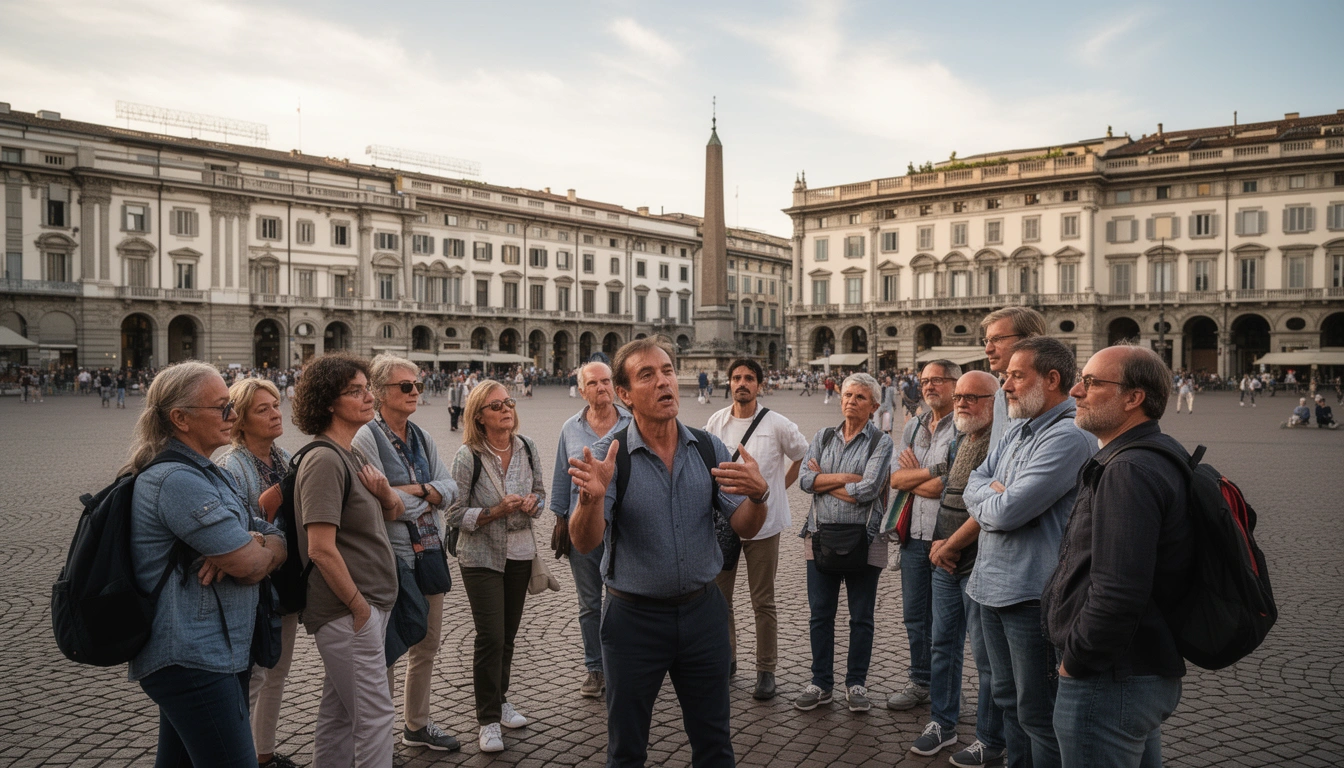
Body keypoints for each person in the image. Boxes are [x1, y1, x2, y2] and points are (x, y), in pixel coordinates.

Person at [566, 338, 770, 768]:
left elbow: (744, 527)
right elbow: (584, 542)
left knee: (715, 745)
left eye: (667, 371)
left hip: (703, 615)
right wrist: (590, 500)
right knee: (626, 750)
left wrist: (758, 497)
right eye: (647, 375)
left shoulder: (707, 447)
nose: (664, 382)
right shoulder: (607, 458)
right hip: (633, 623)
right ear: (624, 394)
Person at [127, 361, 287, 767]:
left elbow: (273, 539)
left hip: (214, 651)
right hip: (192, 656)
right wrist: (253, 548)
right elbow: (251, 566)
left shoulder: (211, 474)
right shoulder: (177, 481)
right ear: (180, 418)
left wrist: (255, 543)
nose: (231, 416)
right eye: (221, 408)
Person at [1044, 345, 1192, 768]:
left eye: (1091, 382)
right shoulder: (1156, 454)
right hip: (1138, 667)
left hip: (1110, 677)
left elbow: (1118, 591)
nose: (1075, 390)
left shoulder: (1128, 470)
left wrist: (1076, 661)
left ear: (1133, 398)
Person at [964, 337, 1096, 768]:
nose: (1005, 386)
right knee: (1006, 699)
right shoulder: (1020, 428)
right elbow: (974, 480)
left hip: (1030, 595)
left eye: (1016, 376)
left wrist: (992, 500)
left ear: (1052, 379)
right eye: (1005, 377)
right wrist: (991, 497)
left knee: (1038, 712)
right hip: (989, 585)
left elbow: (1008, 511)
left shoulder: (1068, 437)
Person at [291, 353, 404, 768]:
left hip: (364, 607)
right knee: (375, 717)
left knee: (338, 715)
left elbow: (392, 513)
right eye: (354, 391)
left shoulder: (351, 454)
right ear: (327, 403)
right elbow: (320, 547)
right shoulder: (324, 459)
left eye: (366, 388)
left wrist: (387, 494)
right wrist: (359, 609)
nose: (367, 397)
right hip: (347, 610)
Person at [352, 355, 462, 752]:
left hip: (429, 552)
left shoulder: (422, 436)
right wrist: (423, 496)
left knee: (427, 644)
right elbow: (378, 503)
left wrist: (410, 494)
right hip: (391, 559)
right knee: (390, 649)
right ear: (381, 392)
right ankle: (378, 740)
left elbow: (450, 488)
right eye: (406, 386)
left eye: (416, 384)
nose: (416, 391)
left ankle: (416, 724)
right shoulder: (365, 437)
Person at [911, 370, 1006, 765]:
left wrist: (950, 545)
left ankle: (989, 738)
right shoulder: (959, 441)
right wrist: (939, 543)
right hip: (946, 557)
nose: (962, 403)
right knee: (942, 644)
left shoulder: (1000, 444)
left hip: (979, 560)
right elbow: (949, 494)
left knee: (988, 660)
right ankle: (943, 722)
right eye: (960, 396)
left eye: (974, 397)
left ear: (996, 402)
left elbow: (991, 509)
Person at [446, 380, 547, 753]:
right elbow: (454, 513)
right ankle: (487, 719)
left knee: (507, 635)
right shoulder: (467, 456)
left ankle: (501, 700)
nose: (506, 409)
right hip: (482, 557)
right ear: (480, 416)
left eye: (508, 402)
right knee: (490, 636)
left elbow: (540, 490)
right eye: (496, 405)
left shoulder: (528, 447)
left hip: (520, 553)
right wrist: (494, 512)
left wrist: (533, 503)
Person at [705, 357, 809, 700]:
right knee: (719, 599)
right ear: (729, 382)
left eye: (749, 378)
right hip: (724, 523)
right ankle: (728, 659)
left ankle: (766, 669)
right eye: (736, 377)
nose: (742, 383)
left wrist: (781, 486)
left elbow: (804, 455)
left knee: (762, 601)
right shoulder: (716, 422)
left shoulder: (777, 424)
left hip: (765, 524)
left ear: (759, 385)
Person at [795, 373, 895, 714]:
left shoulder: (881, 441)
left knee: (861, 617)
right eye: (848, 395)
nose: (851, 401)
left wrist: (825, 480)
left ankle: (856, 683)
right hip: (819, 535)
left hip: (865, 539)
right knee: (820, 615)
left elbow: (868, 490)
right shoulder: (823, 436)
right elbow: (805, 481)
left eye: (860, 397)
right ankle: (821, 682)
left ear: (874, 406)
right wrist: (845, 480)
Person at [215, 378, 299, 768]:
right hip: (254, 588)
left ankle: (264, 754)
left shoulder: (283, 456)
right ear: (240, 420)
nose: (275, 413)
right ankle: (240, 757)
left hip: (286, 583)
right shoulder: (231, 466)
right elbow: (235, 531)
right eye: (262, 409)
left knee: (277, 672)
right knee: (252, 678)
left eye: (276, 405)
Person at [550, 361, 631, 698]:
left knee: (624, 599)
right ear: (581, 390)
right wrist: (559, 519)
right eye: (594, 383)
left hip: (624, 526)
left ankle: (625, 664)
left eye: (607, 381)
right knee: (588, 604)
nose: (602, 387)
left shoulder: (632, 422)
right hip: (582, 524)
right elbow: (560, 475)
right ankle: (595, 669)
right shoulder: (571, 427)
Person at [888, 361, 960, 712]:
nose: (929, 386)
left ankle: (946, 694)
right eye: (925, 380)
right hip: (912, 536)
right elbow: (895, 480)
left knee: (946, 623)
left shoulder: (963, 427)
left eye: (937, 380)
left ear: (955, 384)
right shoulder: (914, 425)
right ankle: (920, 681)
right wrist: (926, 476)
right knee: (914, 616)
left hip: (946, 538)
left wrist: (917, 474)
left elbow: (947, 488)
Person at [980, 307, 1047, 449]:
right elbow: (994, 460)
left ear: (1028, 340)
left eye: (997, 339)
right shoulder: (1000, 395)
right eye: (986, 341)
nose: (988, 349)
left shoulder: (1045, 396)